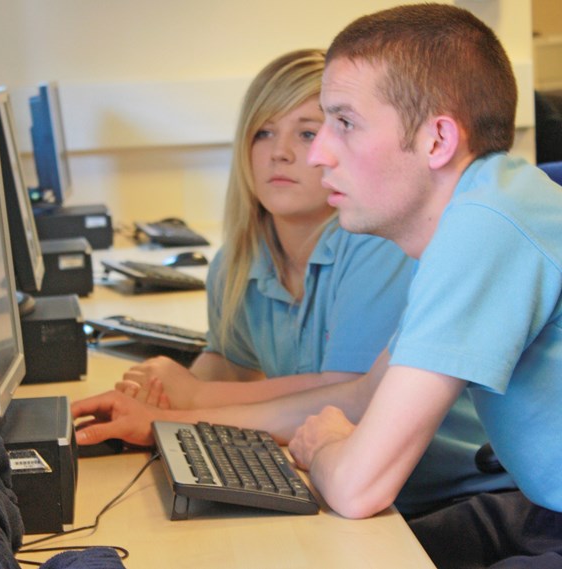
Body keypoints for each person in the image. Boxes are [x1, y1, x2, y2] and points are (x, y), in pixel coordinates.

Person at [72, 47, 516, 519]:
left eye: (307, 133)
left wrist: (184, 407)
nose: (279, 152)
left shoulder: (377, 243)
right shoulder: (240, 260)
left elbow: (352, 396)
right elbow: (228, 364)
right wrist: (155, 400)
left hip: (454, 493)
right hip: (365, 488)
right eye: (262, 132)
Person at [283, 4, 562, 567]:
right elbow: (364, 397)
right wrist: (183, 419)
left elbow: (362, 486)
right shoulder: (484, 210)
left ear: (437, 139)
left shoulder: (487, 227)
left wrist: (328, 447)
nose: (318, 153)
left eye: (345, 122)